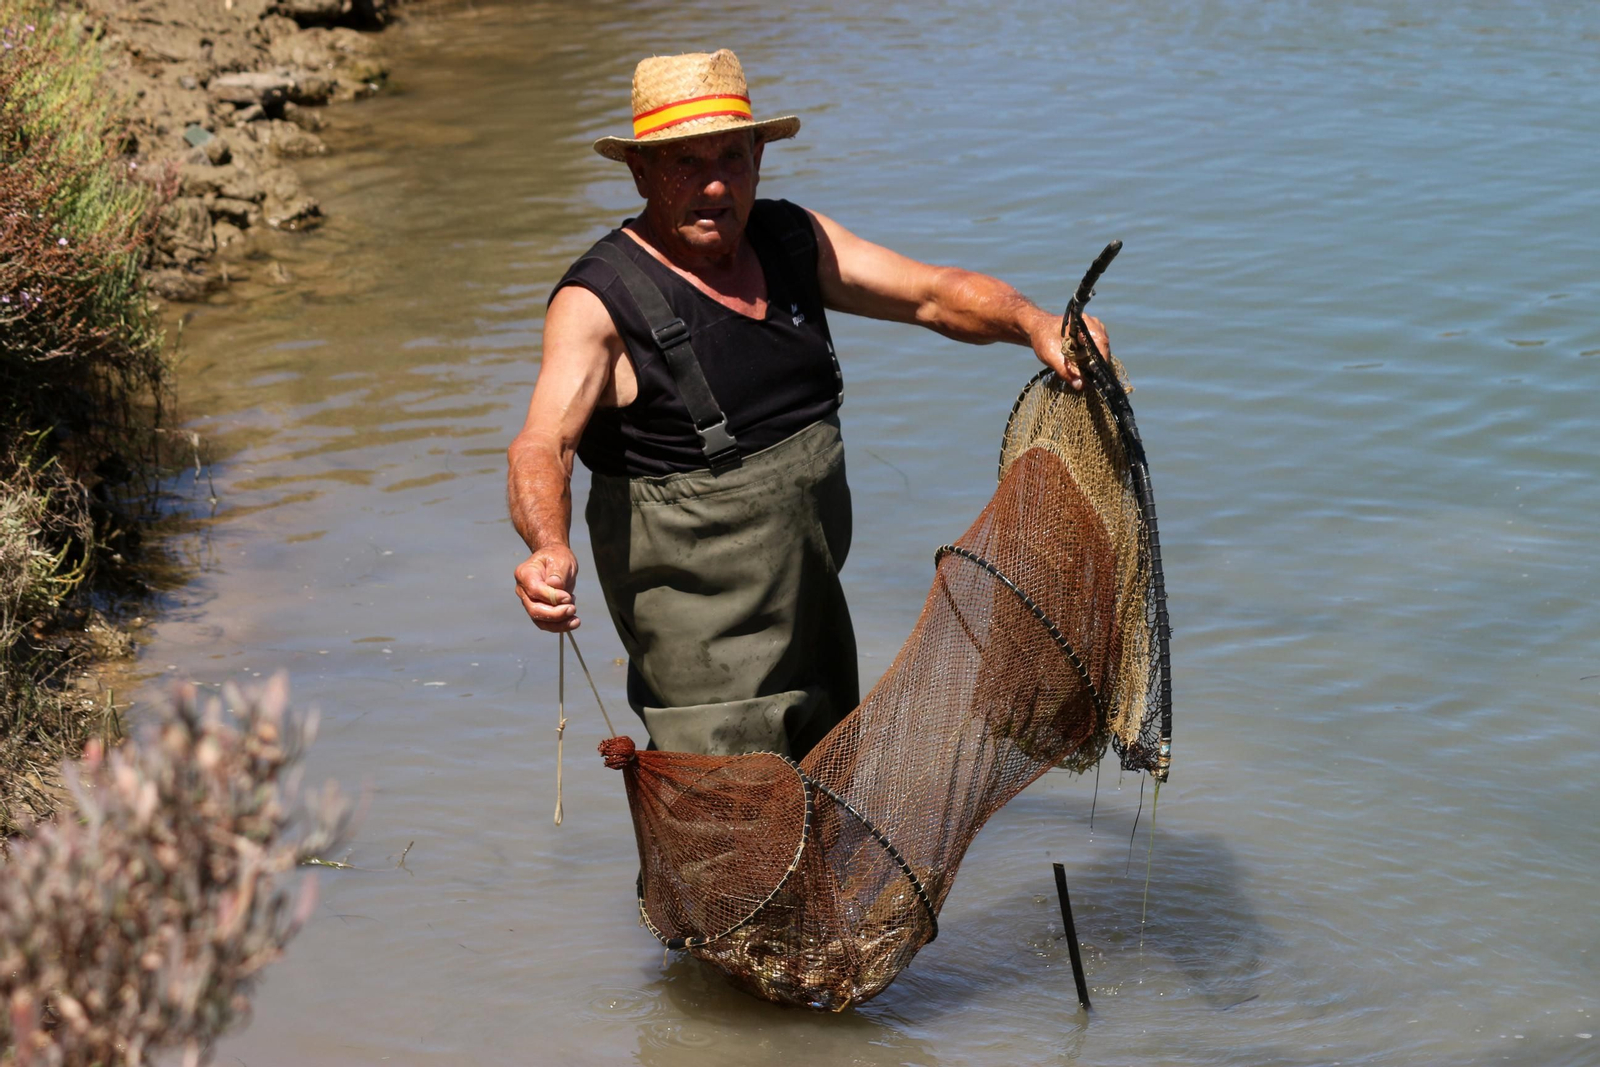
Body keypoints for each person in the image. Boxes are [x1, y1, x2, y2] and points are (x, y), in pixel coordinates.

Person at [508, 49, 1108, 759]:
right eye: (683, 163)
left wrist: (1035, 325)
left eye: (731, 156)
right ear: (640, 173)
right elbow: (542, 444)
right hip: (705, 683)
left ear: (760, 155)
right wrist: (548, 546)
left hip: (818, 631)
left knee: (824, 828)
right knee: (730, 855)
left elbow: (932, 294)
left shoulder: (793, 240)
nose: (713, 183)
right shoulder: (599, 302)